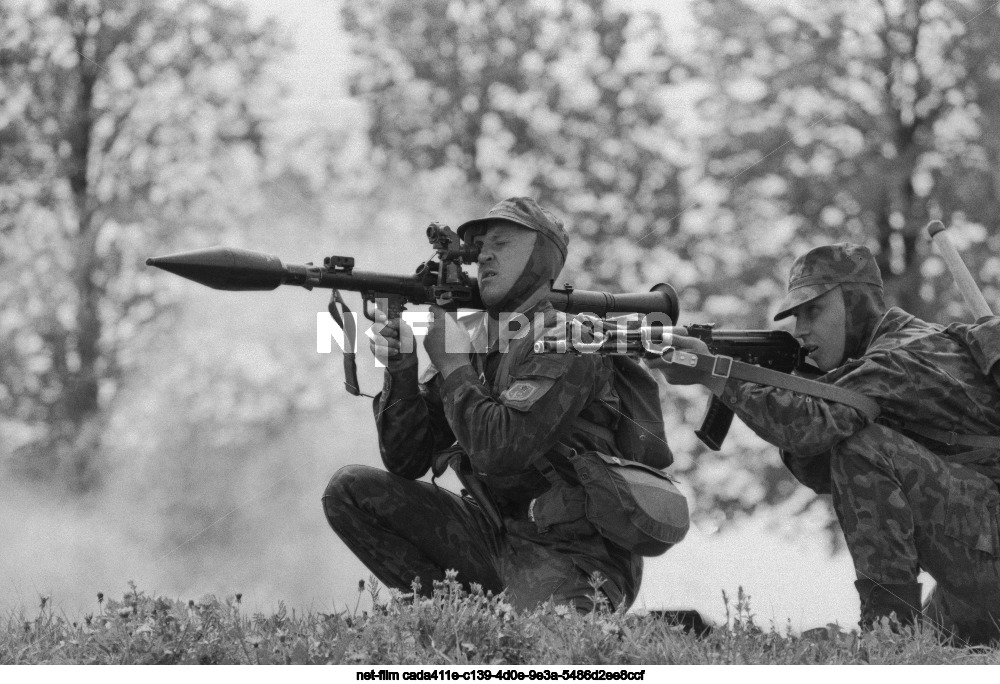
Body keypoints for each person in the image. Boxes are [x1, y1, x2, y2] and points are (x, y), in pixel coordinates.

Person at [322, 197, 663, 612]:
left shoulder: (570, 340)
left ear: (540, 258)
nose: (484, 256)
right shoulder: (479, 343)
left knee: (545, 649)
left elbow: (501, 450)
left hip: (577, 560)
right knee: (351, 492)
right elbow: (406, 460)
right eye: (480, 247)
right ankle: (458, 618)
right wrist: (403, 371)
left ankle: (497, 621)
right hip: (498, 540)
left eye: (501, 244)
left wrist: (453, 365)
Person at [652, 243, 1000, 645]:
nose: (801, 329)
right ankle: (894, 636)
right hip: (979, 564)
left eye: (813, 311)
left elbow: (809, 426)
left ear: (857, 302)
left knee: (865, 447)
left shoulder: (904, 356)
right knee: (916, 641)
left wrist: (712, 372)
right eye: (796, 316)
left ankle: (890, 637)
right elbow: (817, 463)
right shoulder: (888, 361)